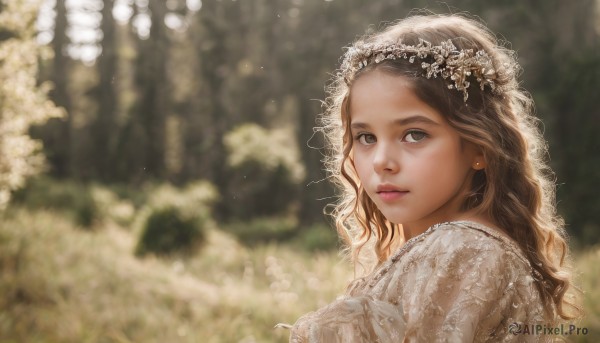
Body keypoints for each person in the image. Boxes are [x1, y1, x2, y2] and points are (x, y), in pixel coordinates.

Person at [282, 13, 582, 342]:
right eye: (366, 138)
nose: (381, 161)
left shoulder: (462, 251)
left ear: (479, 147)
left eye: (414, 134)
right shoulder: (452, 248)